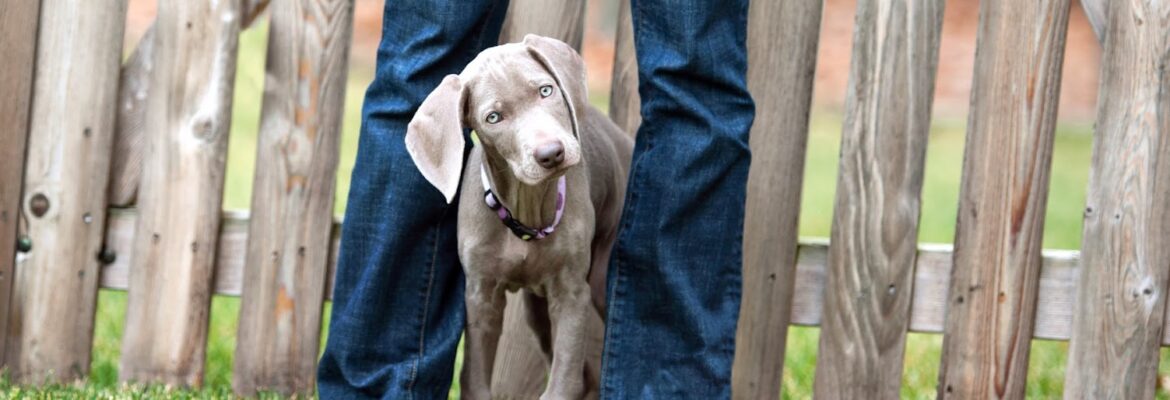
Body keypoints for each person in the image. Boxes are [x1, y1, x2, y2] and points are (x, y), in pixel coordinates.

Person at [316, 0, 755, 398]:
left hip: (587, 218)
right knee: (421, 59)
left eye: (545, 91)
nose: (544, 140)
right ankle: (379, 389)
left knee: (698, 73)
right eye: (493, 116)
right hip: (498, 214)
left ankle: (668, 391)